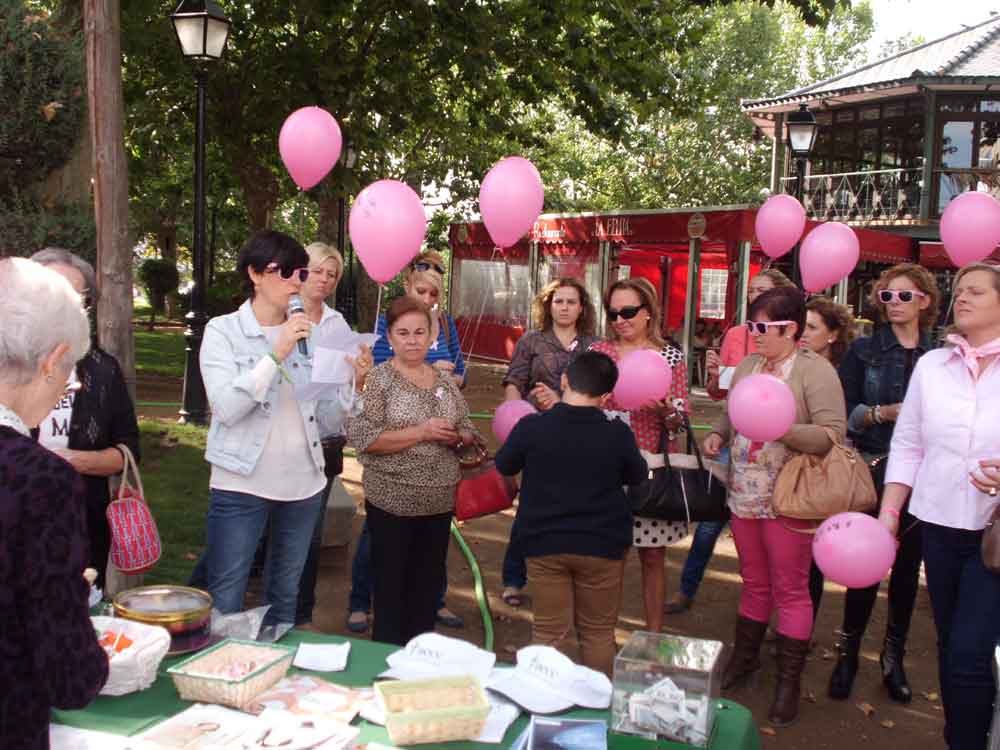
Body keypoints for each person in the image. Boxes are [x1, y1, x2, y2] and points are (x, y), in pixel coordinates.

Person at [199, 230, 370, 631]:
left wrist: (353, 386)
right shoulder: (223, 331)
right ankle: (219, 680)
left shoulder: (310, 334)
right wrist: (276, 353)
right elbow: (227, 407)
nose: (297, 281)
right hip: (241, 482)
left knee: (285, 598)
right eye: (287, 272)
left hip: (304, 485)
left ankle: (277, 685)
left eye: (300, 272)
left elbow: (329, 421)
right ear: (255, 274)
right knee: (226, 595)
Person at [702, 286, 845, 727]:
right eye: (752, 326)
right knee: (755, 581)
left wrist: (782, 428)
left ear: (792, 329)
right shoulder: (748, 364)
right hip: (744, 493)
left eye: (765, 327)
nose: (756, 335)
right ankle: (745, 661)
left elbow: (832, 434)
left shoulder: (814, 371)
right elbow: (731, 412)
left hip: (790, 497)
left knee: (791, 587)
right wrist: (719, 434)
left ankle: (788, 682)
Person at [877, 262, 1000, 750]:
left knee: (969, 653)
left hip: (995, 534)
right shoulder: (932, 366)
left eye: (976, 291)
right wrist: (889, 516)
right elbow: (908, 445)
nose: (961, 297)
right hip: (941, 526)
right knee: (952, 648)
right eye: (959, 290)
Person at [0, 257, 109, 750]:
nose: (72, 383)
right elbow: (68, 673)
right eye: (70, 368)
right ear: (51, 359)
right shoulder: (40, 480)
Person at [827, 264, 940, 704]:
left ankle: (892, 659)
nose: (893, 304)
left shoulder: (940, 356)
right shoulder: (864, 350)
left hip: (923, 479)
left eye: (904, 297)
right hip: (873, 468)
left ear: (924, 301)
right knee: (864, 566)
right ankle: (848, 654)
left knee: (908, 572)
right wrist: (881, 413)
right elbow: (845, 409)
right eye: (887, 297)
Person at [495, 351, 646, 676]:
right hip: (603, 546)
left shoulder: (531, 427)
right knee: (597, 633)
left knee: (548, 633)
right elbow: (637, 475)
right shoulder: (617, 434)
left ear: (563, 381)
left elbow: (504, 463)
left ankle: (544, 708)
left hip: (544, 544)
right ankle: (599, 711)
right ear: (607, 397)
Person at [346, 295, 479, 646]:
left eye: (420, 332)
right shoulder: (378, 380)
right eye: (403, 332)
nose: (412, 339)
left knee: (427, 587)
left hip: (438, 504)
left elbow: (467, 425)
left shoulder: (443, 380)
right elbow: (364, 438)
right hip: (392, 503)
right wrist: (422, 432)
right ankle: (386, 664)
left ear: (431, 336)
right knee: (391, 590)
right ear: (389, 337)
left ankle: (421, 661)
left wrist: (460, 436)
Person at [666, 268, 795, 615]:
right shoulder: (736, 334)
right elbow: (721, 393)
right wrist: (713, 378)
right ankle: (685, 590)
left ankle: (775, 611)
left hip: (776, 453)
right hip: (733, 442)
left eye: (763, 290)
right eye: (751, 290)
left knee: (770, 533)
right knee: (709, 520)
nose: (754, 296)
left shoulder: (792, 343)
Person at [29, 248, 141, 591]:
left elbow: (128, 453)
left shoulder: (101, 369)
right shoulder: (9, 365)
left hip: (81, 525)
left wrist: (71, 461)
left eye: (78, 299)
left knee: (78, 622)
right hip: (16, 524)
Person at [590, 278, 690, 634]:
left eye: (628, 311)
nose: (620, 319)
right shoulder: (598, 354)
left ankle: (653, 638)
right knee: (608, 559)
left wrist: (666, 413)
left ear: (648, 313)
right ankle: (600, 639)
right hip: (604, 471)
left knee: (652, 557)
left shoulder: (671, 356)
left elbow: (681, 422)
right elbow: (582, 406)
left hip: (651, 471)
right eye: (613, 312)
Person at [499, 277, 599, 607]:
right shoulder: (531, 341)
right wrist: (516, 413)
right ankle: (514, 579)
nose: (565, 307)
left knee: (575, 508)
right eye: (559, 301)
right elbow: (514, 380)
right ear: (548, 305)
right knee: (530, 505)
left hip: (581, 437)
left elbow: (601, 392)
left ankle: (562, 580)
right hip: (539, 434)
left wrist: (562, 398)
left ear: (582, 308)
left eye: (571, 301)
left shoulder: (594, 346)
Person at [294, 241, 368, 630]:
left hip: (323, 441)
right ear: (300, 270)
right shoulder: (278, 315)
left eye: (332, 274)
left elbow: (346, 394)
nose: (324, 279)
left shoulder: (338, 325)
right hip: (281, 439)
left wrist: (357, 376)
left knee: (309, 534)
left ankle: (301, 615)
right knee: (265, 531)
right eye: (317, 270)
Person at [798, 296, 855, 624]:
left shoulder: (840, 373)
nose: (803, 333)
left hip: (828, 471)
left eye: (812, 327)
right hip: (795, 468)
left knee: (816, 551)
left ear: (832, 335)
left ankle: (804, 625)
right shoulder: (794, 366)